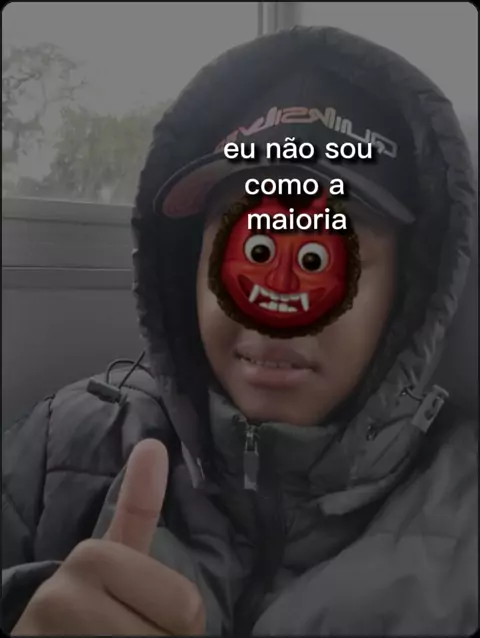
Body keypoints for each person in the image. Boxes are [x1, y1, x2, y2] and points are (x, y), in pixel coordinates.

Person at [2, 26, 478, 637]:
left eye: (323, 255)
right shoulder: (58, 446)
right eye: (249, 246)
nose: (272, 310)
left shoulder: (465, 520)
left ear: (406, 294)